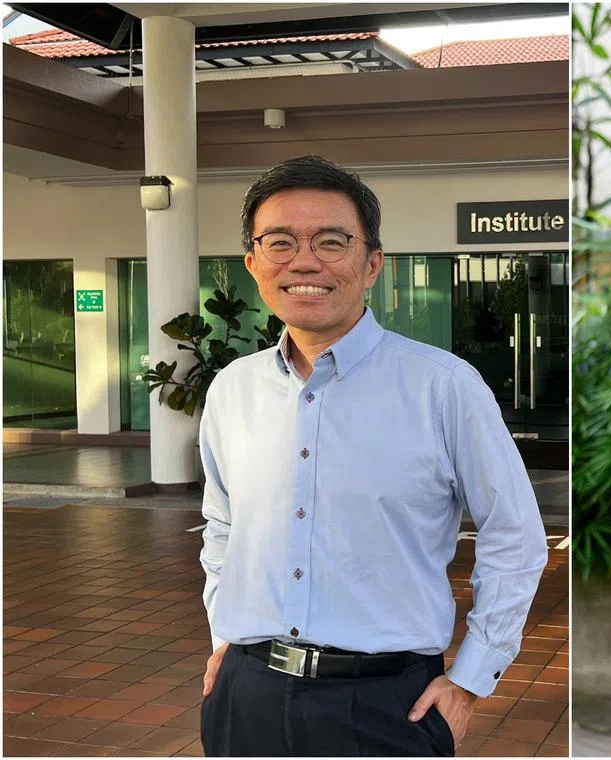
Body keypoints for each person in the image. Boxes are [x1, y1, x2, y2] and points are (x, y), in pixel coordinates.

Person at [197, 155, 549, 756]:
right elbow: (223, 527)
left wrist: (470, 679)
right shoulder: (233, 388)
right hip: (246, 694)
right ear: (254, 264)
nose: (304, 261)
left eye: (331, 241)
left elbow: (514, 535)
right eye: (280, 241)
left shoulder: (444, 386)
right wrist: (224, 635)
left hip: (387, 707)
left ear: (372, 265)